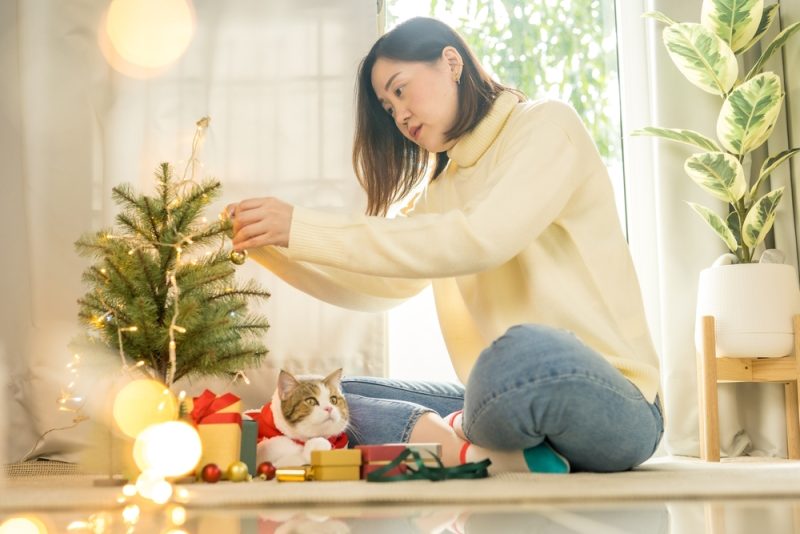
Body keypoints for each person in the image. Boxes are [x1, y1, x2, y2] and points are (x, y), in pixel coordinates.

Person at [226, 16, 663, 473]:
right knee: (345, 395)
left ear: (451, 63)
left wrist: (300, 224)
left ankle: (465, 433)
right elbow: (377, 284)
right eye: (388, 108)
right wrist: (272, 244)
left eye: (400, 90)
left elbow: (481, 239)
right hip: (501, 398)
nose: (399, 116)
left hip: (618, 406)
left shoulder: (546, 126)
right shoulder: (442, 189)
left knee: (523, 350)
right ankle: (489, 453)